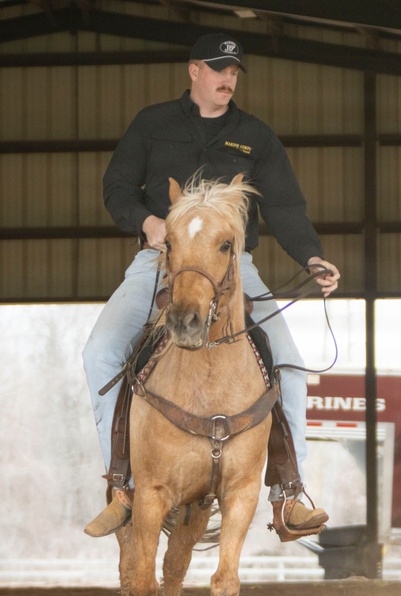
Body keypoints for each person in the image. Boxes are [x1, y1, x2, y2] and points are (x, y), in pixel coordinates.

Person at [83, 33, 340, 538]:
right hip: (160, 262)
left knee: (288, 364)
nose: (229, 78)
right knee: (100, 354)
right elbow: (117, 186)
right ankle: (124, 485)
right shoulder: (152, 124)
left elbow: (285, 207)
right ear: (194, 70)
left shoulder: (256, 135)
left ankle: (289, 494)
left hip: (232, 268)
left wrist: (311, 255)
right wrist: (147, 222)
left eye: (235, 71)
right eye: (220, 68)